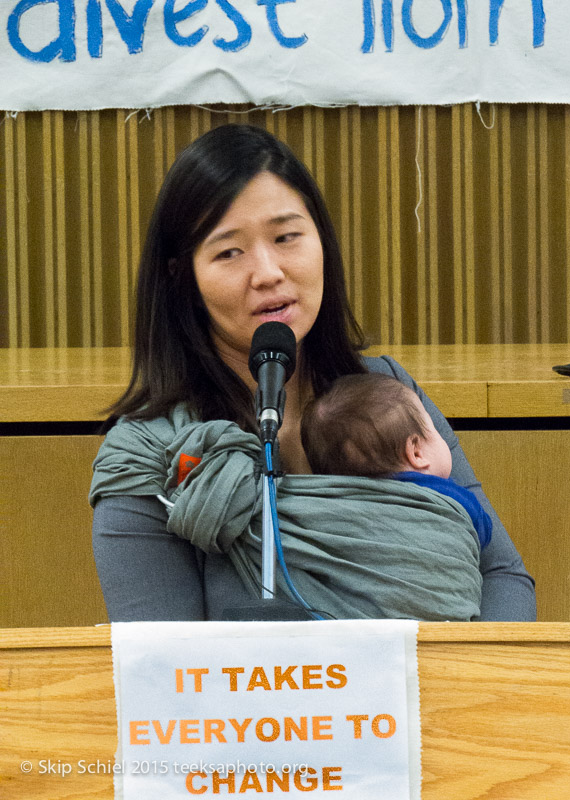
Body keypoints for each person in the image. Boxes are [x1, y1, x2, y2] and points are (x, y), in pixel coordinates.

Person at [90, 123, 536, 622]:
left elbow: (499, 576)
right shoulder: (149, 453)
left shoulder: (385, 390)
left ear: (321, 239)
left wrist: (462, 685)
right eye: (229, 251)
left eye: (286, 237)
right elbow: (163, 665)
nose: (268, 272)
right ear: (182, 275)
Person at [300, 372, 492, 550]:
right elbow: (483, 532)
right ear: (417, 454)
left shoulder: (332, 508)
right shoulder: (451, 497)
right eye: (434, 429)